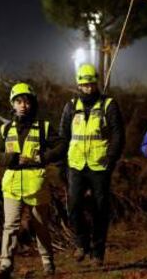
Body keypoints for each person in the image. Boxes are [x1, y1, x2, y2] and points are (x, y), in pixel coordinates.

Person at [0, 83, 65, 278]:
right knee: (10, 226)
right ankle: (5, 265)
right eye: (19, 101)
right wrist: (13, 158)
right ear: (13, 104)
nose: (23, 105)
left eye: (26, 101)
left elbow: (61, 146)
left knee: (40, 225)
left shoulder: (44, 127)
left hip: (37, 185)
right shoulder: (5, 129)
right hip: (12, 185)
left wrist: (42, 157)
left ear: (32, 103)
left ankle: (48, 263)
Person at [59, 63, 124, 266]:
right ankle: (81, 243)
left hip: (99, 166)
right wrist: (63, 164)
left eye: (91, 84)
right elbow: (64, 136)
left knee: (100, 210)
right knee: (74, 206)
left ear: (96, 83)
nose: (88, 88)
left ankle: (98, 252)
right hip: (76, 165)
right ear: (79, 85)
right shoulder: (70, 106)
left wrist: (111, 158)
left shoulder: (108, 105)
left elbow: (118, 135)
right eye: (84, 85)